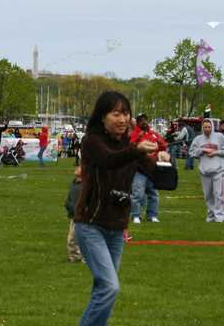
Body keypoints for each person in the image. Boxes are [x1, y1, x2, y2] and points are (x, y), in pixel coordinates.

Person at [73, 91, 165, 326]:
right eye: (116, 114)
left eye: (126, 114)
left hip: (116, 228)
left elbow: (152, 172)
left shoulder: (129, 145)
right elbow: (109, 160)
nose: (122, 119)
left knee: (104, 290)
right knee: (110, 287)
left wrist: (161, 158)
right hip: (90, 225)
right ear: (102, 117)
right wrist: (136, 151)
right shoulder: (92, 142)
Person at [190, 119, 224, 223]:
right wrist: (202, 150)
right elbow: (192, 152)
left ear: (212, 127)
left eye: (209, 127)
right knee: (208, 195)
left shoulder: (219, 137)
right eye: (205, 127)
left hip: (219, 170)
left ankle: (220, 216)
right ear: (202, 128)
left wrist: (216, 152)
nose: (207, 129)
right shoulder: (198, 139)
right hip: (205, 171)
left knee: (219, 194)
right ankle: (211, 215)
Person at [128, 114, 167, 224]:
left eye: (145, 120)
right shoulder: (135, 133)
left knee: (154, 194)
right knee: (137, 194)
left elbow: (164, 145)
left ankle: (152, 215)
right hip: (139, 169)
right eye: (141, 120)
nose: (144, 122)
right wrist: (138, 137)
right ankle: (136, 215)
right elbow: (130, 146)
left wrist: (160, 144)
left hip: (152, 169)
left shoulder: (153, 134)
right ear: (138, 123)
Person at [64, 165, 83, 263]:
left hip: (83, 217)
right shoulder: (74, 183)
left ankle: (86, 257)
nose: (77, 168)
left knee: (84, 238)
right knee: (71, 238)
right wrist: (68, 205)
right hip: (74, 215)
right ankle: (74, 256)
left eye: (80, 167)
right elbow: (69, 198)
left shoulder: (86, 185)